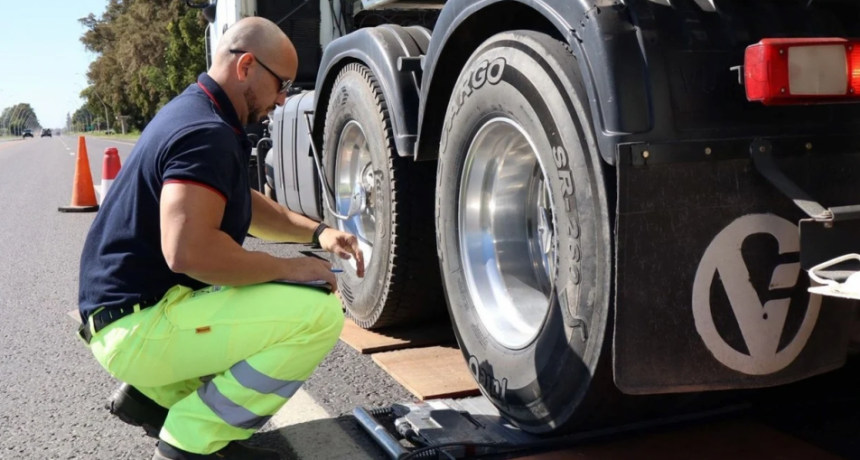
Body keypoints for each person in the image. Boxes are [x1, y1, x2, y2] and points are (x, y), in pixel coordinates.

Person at [75, 17, 365, 460]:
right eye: (281, 83)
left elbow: (237, 201)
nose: (284, 97)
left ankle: (155, 399)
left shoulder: (199, 113)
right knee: (318, 313)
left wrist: (319, 233)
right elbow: (188, 252)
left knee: (265, 291)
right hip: (137, 326)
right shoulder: (205, 133)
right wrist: (292, 269)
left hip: (125, 317)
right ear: (247, 65)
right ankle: (192, 439)